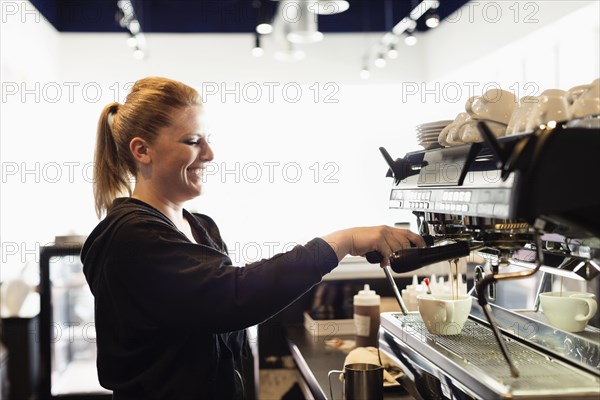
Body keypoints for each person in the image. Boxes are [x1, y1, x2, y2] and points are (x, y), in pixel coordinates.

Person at [81, 76, 425, 399]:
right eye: (192, 141)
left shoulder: (200, 225)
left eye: (207, 139)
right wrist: (344, 241)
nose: (210, 154)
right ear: (142, 151)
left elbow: (227, 313)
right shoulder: (131, 236)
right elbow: (233, 295)